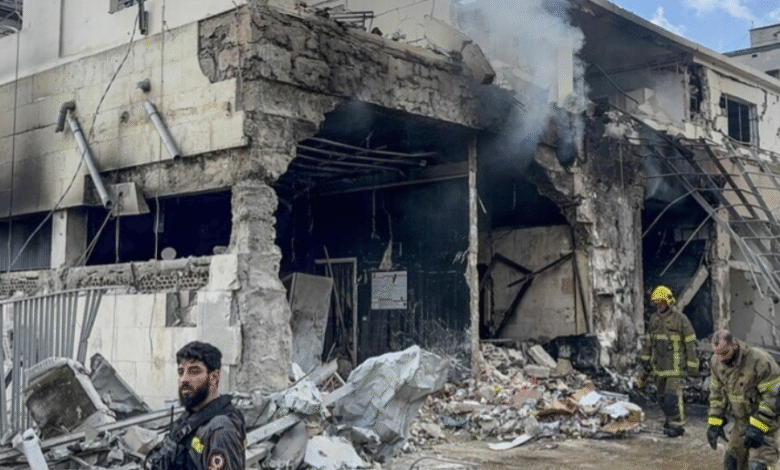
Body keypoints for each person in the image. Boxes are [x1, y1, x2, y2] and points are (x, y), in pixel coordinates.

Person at [145, 341, 246, 470]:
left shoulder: (220, 429)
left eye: (194, 371)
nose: (184, 379)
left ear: (214, 377)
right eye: (181, 372)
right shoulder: (193, 415)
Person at [707, 329, 780, 470]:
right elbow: (717, 394)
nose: (721, 359)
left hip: (766, 422)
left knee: (759, 466)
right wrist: (715, 422)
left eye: (725, 353)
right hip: (741, 422)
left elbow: (774, 396)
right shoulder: (716, 362)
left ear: (734, 345)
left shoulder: (760, 361)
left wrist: (759, 427)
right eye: (717, 353)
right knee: (732, 462)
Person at [635, 285, 699, 437]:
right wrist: (644, 364)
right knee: (662, 398)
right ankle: (670, 420)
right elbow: (649, 343)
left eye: (662, 302)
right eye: (657, 303)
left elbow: (690, 343)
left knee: (672, 397)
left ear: (669, 302)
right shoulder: (654, 320)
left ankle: (677, 425)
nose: (660, 305)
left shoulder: (680, 320)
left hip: (676, 368)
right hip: (659, 368)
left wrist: (692, 365)